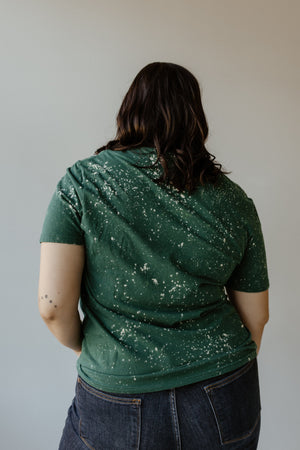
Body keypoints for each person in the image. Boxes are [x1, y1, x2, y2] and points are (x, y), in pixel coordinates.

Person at [38, 62, 270, 450]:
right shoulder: (233, 200)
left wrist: (95, 350)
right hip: (225, 387)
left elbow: (52, 306)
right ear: (196, 118)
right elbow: (257, 317)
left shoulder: (81, 184)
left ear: (129, 110)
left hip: (117, 388)